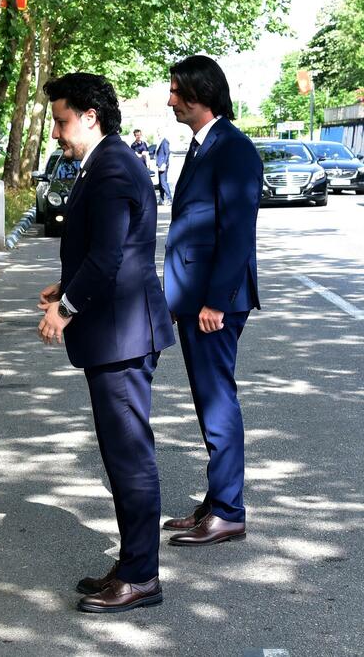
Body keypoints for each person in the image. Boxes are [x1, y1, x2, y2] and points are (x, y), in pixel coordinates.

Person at [36, 73, 175, 613]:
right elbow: (103, 249)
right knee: (122, 456)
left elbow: (110, 256)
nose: (56, 132)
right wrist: (66, 285)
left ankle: (142, 576)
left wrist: (64, 310)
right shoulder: (107, 161)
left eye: (62, 120)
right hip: (119, 329)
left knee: (130, 457)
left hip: (121, 336)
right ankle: (132, 561)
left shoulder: (114, 166)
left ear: (90, 115)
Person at [162, 55, 261, 546]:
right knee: (208, 400)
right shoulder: (204, 146)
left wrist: (216, 302)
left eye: (177, 91)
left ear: (202, 94)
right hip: (196, 298)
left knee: (218, 401)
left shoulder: (234, 148)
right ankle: (216, 501)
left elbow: (237, 232)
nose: (170, 99)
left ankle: (228, 510)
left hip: (214, 303)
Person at [154, 129, 172, 205]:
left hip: (163, 165)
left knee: (163, 182)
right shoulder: (160, 141)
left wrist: (164, 163)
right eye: (158, 132)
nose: (158, 134)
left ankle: (169, 199)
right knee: (161, 183)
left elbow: (167, 153)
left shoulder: (165, 141)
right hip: (160, 164)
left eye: (159, 132)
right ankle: (161, 199)